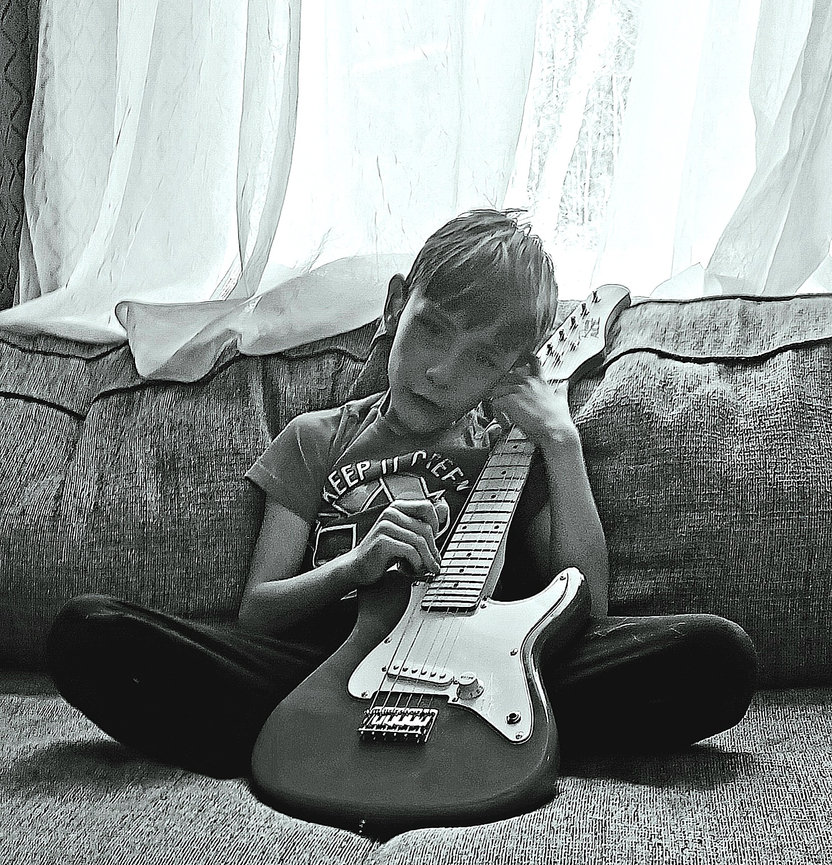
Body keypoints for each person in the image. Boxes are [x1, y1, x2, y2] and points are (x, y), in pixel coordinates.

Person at [47, 210, 756, 781]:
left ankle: (489, 734)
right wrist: (353, 569)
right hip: (316, 662)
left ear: (513, 371)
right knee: (91, 631)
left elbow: (587, 607)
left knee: (714, 654)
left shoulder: (511, 457)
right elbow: (256, 612)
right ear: (395, 305)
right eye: (432, 331)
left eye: (481, 358)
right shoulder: (314, 438)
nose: (441, 372)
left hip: (479, 674)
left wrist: (560, 443)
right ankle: (333, 738)